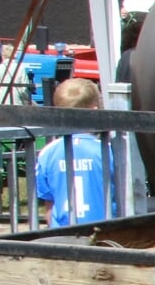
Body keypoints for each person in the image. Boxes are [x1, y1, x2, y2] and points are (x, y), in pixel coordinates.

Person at [35, 79, 114, 227]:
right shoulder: (107, 151)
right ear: (95, 111)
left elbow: (49, 205)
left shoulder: (47, 153)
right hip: (106, 234)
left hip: (63, 235)